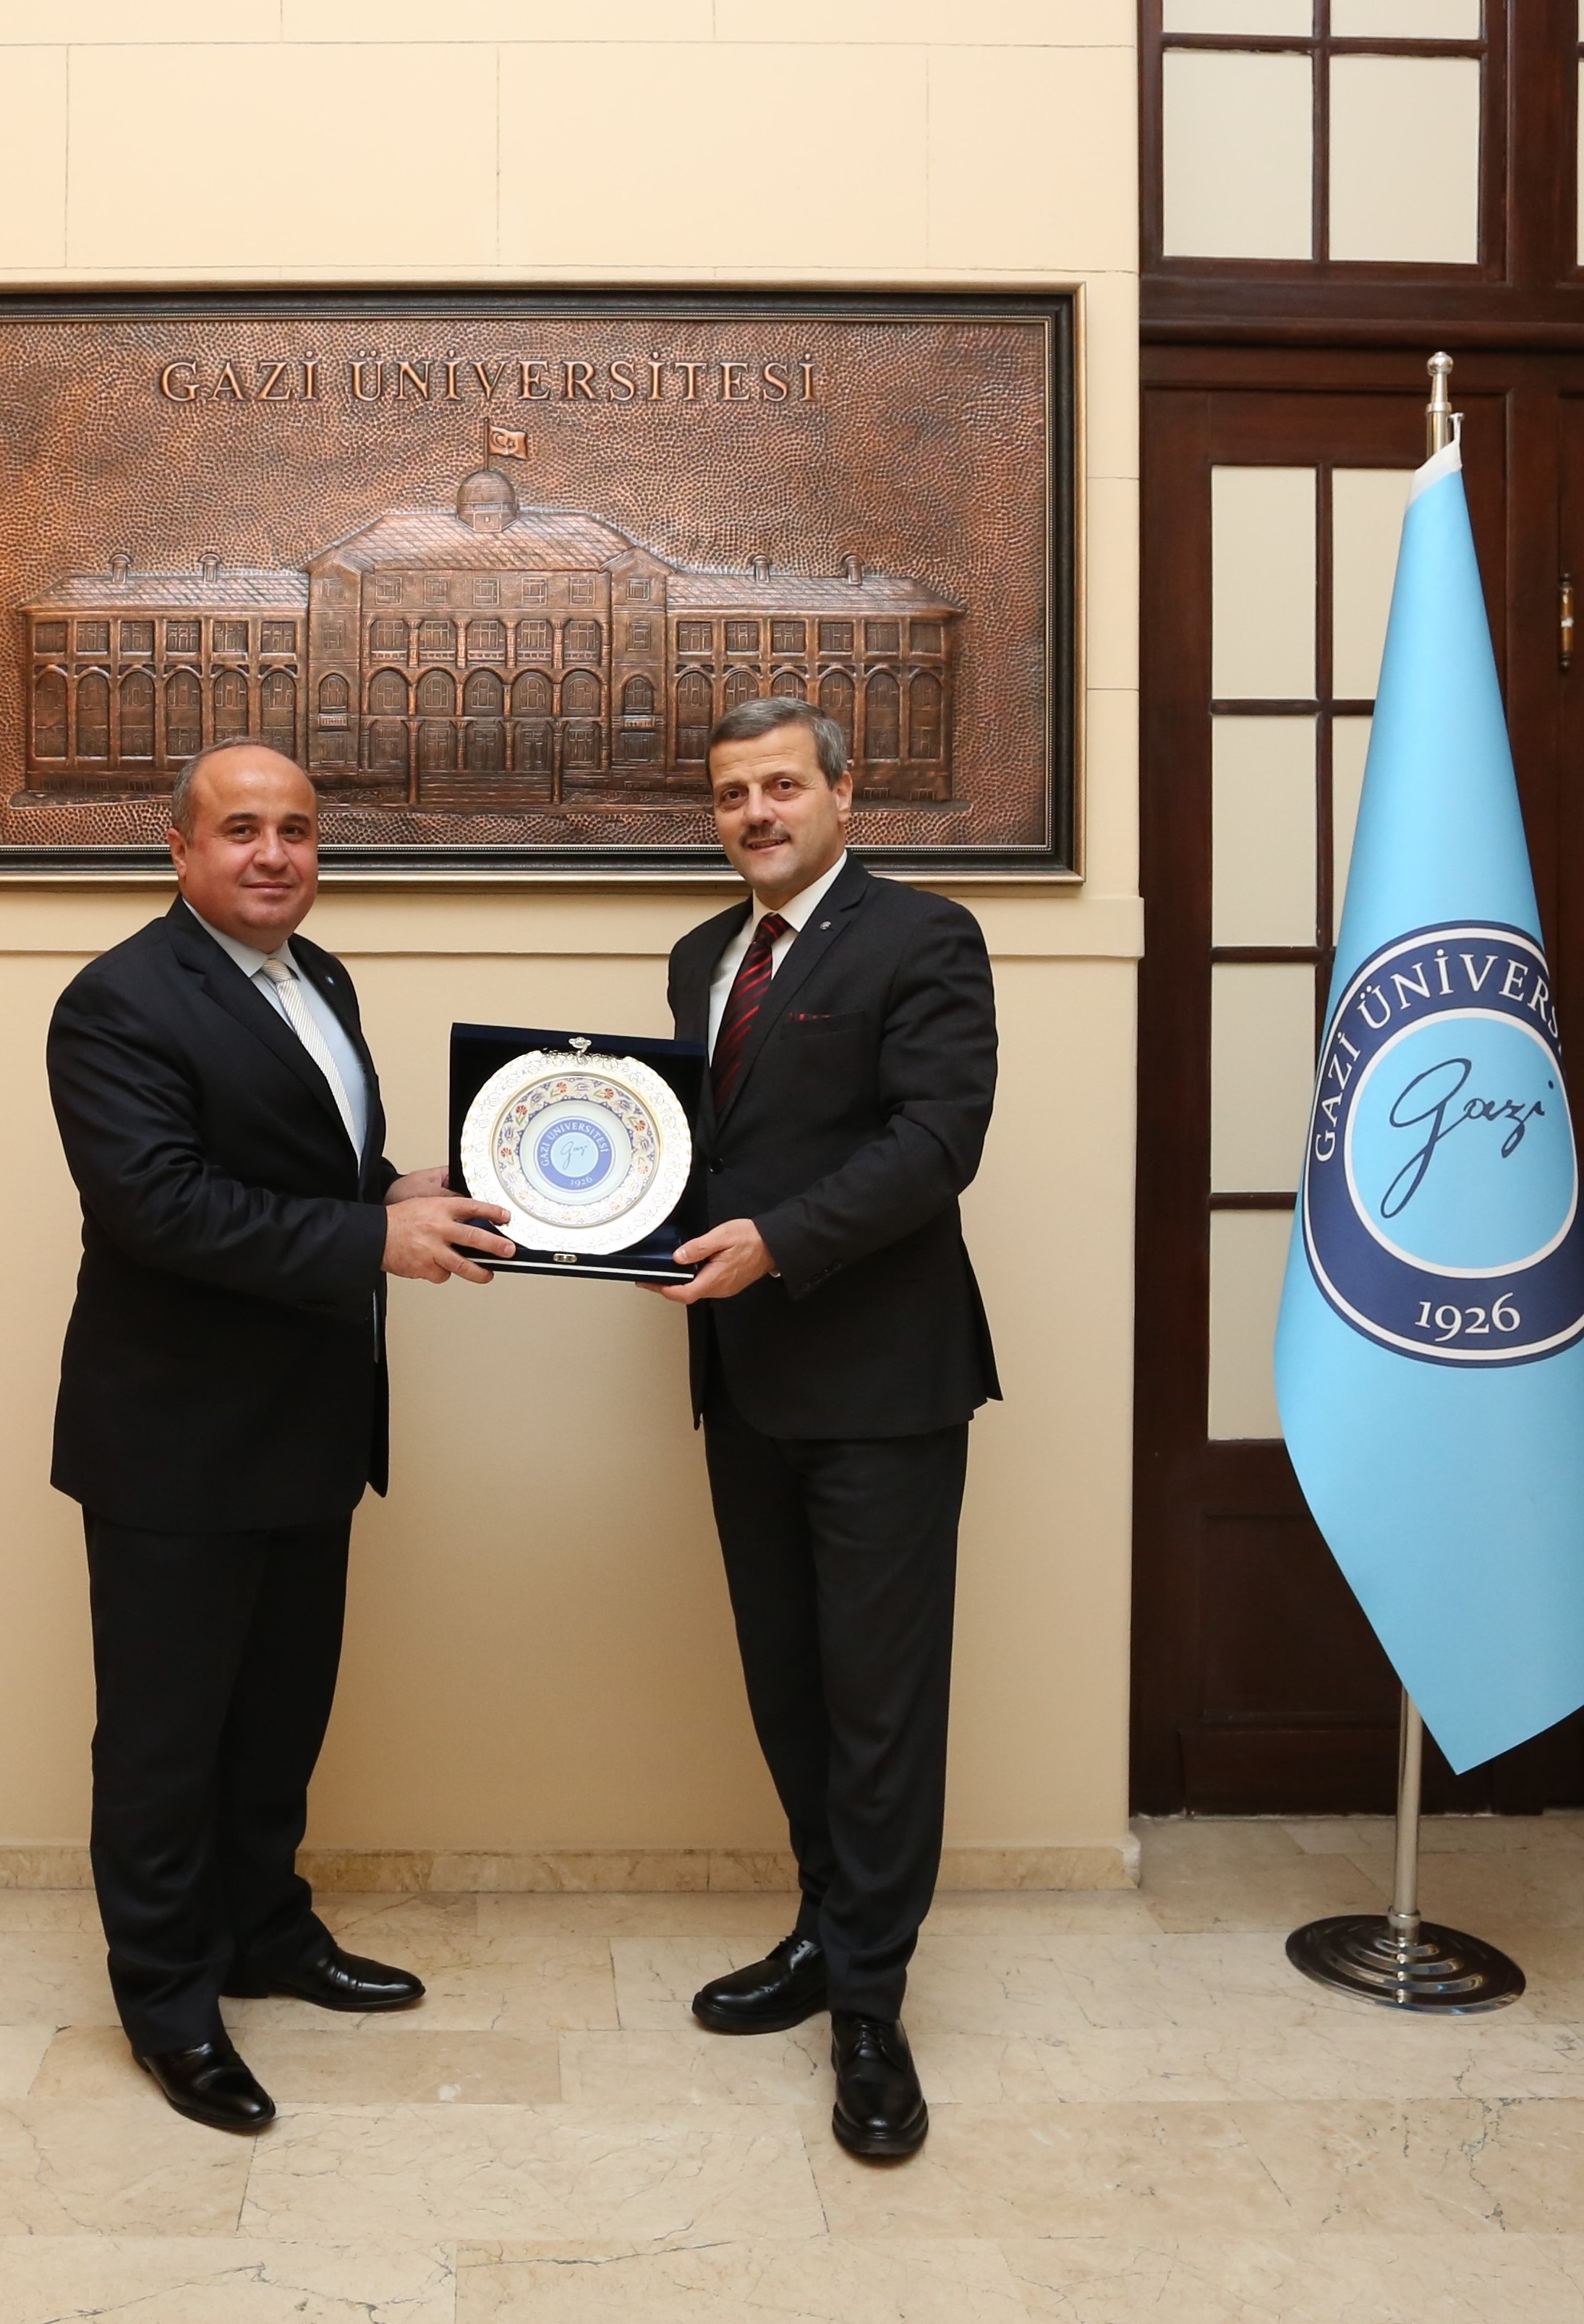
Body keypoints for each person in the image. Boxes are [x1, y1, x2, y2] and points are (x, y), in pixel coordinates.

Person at [43, 740, 516, 2135]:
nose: (274, 855)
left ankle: (264, 1932)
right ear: (178, 850)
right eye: (241, 829)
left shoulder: (322, 979)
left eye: (297, 830)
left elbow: (303, 1172)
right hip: (176, 1445)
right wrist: (374, 1234)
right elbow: (164, 1208)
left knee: (277, 1722)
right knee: (163, 1741)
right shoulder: (116, 1002)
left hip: (308, 1428)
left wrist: (400, 1185)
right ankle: (168, 2000)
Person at [655, 693, 1001, 2163]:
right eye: (733, 793)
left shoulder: (923, 938)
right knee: (789, 1688)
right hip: (743, 1384)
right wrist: (582, 1219)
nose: (757, 813)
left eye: (782, 785)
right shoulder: (697, 958)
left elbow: (933, 1146)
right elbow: (693, 1147)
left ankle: (867, 2002)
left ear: (843, 795)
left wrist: (777, 1243)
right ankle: (821, 1925)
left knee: (876, 1703)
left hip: (880, 1386)